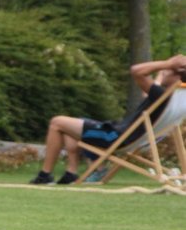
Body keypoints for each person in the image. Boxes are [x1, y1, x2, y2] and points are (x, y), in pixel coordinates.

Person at [30, 55, 186, 184]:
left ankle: (45, 175)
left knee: (57, 122)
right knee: (72, 125)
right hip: (133, 138)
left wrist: (168, 63)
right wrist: (164, 73)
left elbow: (136, 71)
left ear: (176, 76)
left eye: (167, 71)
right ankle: (71, 173)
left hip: (116, 137)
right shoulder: (174, 98)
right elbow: (146, 94)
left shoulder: (161, 95)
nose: (163, 71)